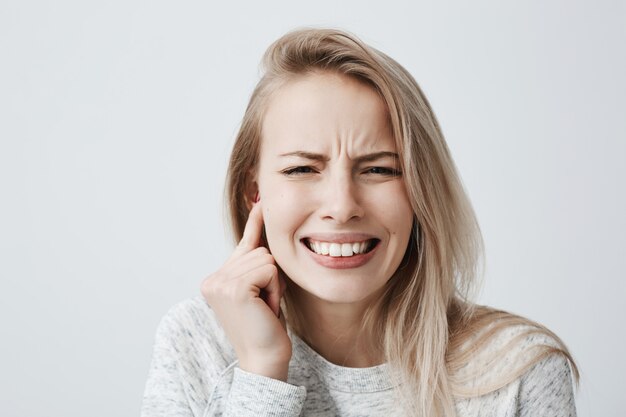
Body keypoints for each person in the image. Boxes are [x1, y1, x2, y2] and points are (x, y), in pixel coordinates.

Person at [140, 28, 579, 417]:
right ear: (254, 192)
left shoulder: (519, 373)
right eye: (301, 169)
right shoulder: (196, 343)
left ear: (421, 191)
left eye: (379, 169)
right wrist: (261, 372)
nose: (341, 206)